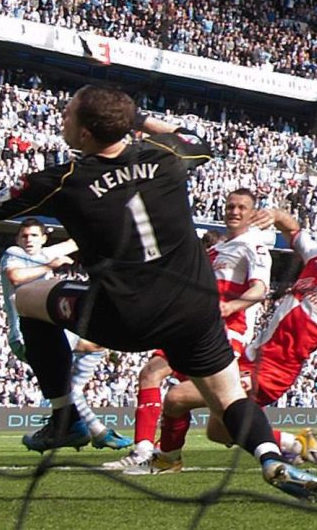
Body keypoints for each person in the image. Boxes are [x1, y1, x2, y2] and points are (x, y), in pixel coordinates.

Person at [0, 85, 317, 502]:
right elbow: (200, 139)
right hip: (192, 310)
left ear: (86, 132)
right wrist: (137, 117)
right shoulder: (167, 157)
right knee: (228, 398)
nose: (63, 116)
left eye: (70, 113)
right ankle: (271, 462)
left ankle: (64, 415)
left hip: (125, 315)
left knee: (29, 298)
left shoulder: (63, 180)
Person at [138, 210, 317, 472]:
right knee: (218, 431)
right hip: (252, 356)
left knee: (176, 398)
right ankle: (296, 444)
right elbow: (293, 231)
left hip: (274, 370)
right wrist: (275, 215)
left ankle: (167, 459)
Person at [106, 189, 277, 472]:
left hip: (226, 332)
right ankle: (144, 452)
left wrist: (230, 306)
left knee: (214, 413)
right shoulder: (215, 250)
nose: (234, 211)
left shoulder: (254, 246)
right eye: (230, 206)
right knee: (150, 373)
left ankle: (286, 444)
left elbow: (259, 290)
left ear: (252, 213)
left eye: (242, 207)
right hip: (192, 324)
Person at [1, 217, 132, 450]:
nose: (28, 239)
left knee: (76, 374)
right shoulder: (14, 253)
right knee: (92, 349)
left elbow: (76, 242)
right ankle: (90, 428)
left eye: (33, 235)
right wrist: (50, 267)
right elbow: (15, 277)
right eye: (24, 235)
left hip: (49, 329)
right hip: (25, 333)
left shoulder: (45, 252)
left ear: (44, 238)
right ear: (17, 238)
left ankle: (91, 429)